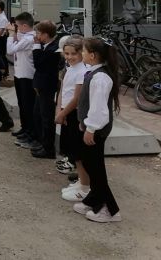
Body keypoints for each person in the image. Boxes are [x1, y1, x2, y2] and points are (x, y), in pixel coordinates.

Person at [74, 37, 122, 223]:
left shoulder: (100, 77)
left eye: (84, 51)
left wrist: (91, 128)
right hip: (90, 126)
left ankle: (110, 209)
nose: (81, 54)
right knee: (89, 163)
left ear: (92, 56)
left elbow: (99, 108)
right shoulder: (93, 72)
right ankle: (93, 199)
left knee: (96, 169)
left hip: (96, 129)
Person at [56, 36, 91, 202]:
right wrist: (59, 109)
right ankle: (81, 182)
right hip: (65, 111)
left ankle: (85, 186)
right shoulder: (70, 68)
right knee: (72, 150)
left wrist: (63, 113)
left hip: (74, 113)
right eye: (66, 53)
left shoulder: (82, 72)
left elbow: (77, 98)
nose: (69, 57)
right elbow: (63, 91)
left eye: (73, 54)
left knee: (78, 152)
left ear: (81, 54)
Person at [31, 20, 61, 159]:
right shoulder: (47, 46)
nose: (37, 36)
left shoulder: (52, 49)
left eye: (38, 33)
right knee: (39, 114)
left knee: (47, 117)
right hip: (41, 85)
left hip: (47, 87)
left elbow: (39, 64)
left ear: (46, 34)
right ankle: (43, 142)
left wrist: (36, 46)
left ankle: (49, 148)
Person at [7, 12, 37, 147]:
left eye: (18, 26)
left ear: (24, 25)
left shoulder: (29, 38)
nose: (16, 28)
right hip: (19, 73)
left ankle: (30, 131)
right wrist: (14, 34)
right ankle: (25, 128)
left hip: (27, 75)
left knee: (27, 105)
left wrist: (10, 35)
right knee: (21, 103)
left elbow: (11, 50)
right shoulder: (24, 36)